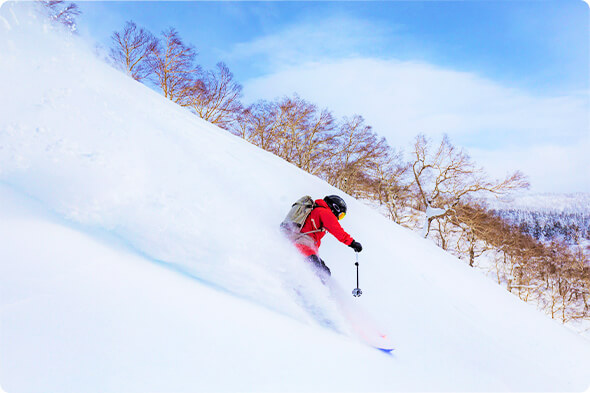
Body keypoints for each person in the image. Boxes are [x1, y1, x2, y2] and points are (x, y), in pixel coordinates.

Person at [293, 195, 362, 278]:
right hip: (303, 245)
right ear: (335, 208)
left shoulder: (316, 210)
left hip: (301, 242)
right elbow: (337, 230)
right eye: (340, 215)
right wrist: (352, 243)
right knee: (321, 272)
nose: (338, 218)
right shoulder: (325, 212)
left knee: (324, 271)